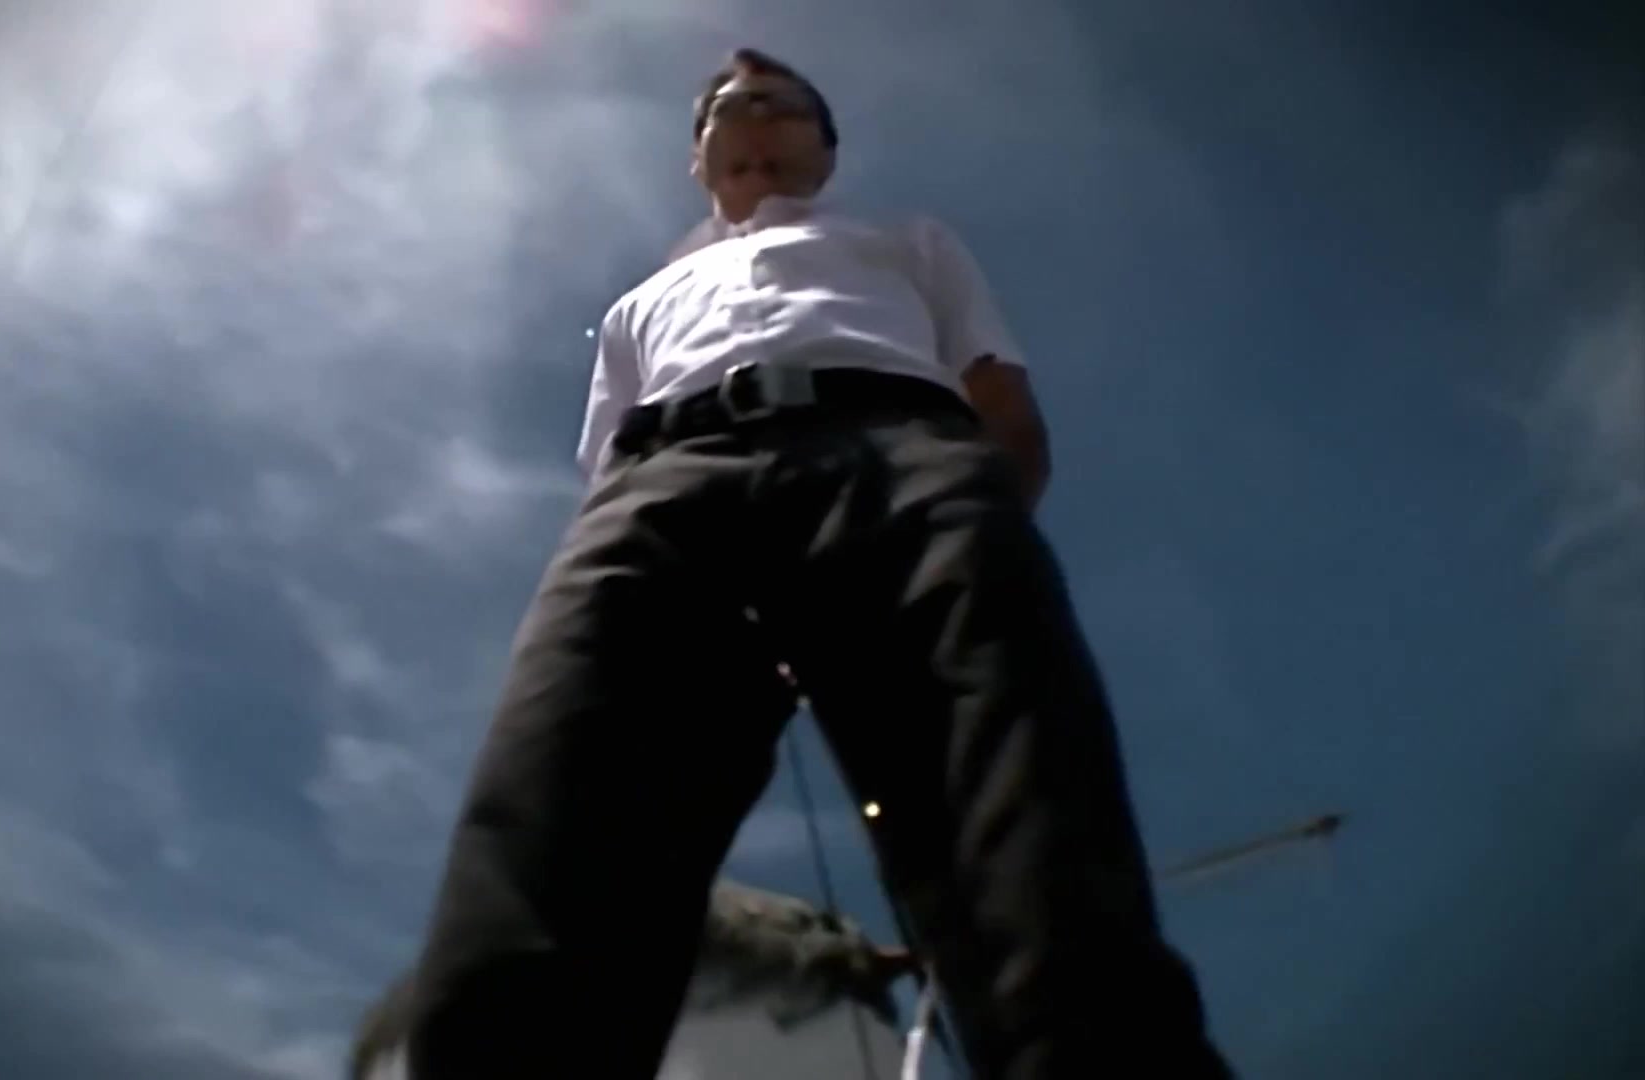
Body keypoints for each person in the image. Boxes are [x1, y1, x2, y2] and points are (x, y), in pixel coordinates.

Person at [400, 47, 1235, 1079]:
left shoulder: (909, 244)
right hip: (666, 480)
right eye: (726, 107)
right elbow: (605, 461)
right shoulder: (637, 308)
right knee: (563, 798)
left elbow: (1003, 405)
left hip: (896, 450)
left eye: (778, 101)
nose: (750, 110)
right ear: (699, 158)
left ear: (825, 148)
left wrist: (972, 545)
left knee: (1018, 791)